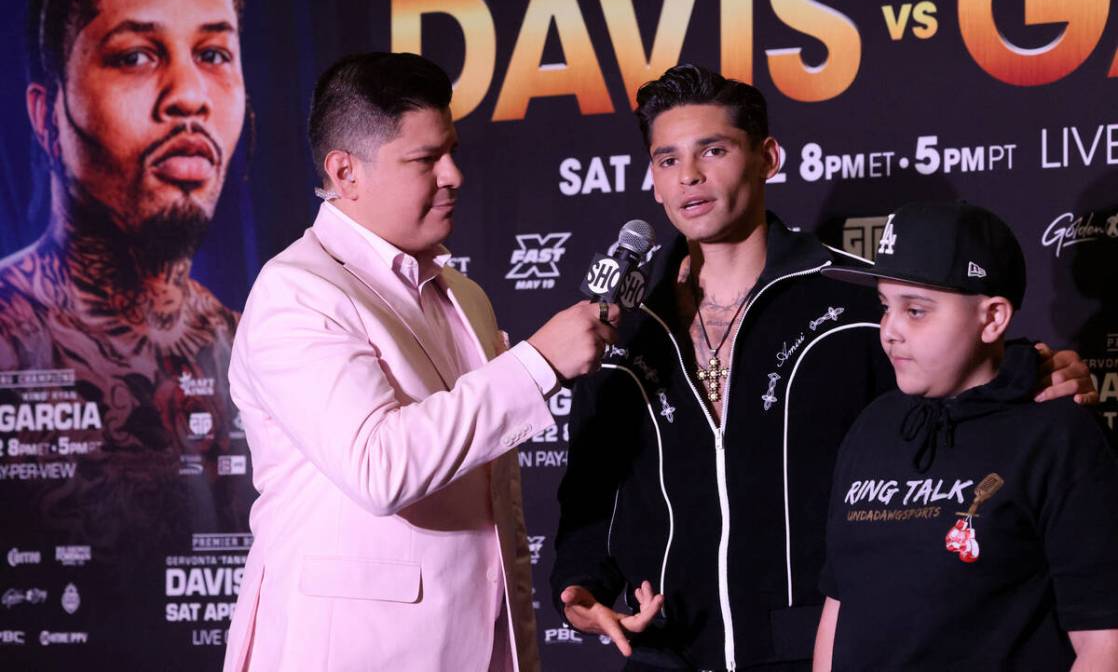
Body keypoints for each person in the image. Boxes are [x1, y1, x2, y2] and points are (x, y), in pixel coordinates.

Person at [550, 65, 1097, 671]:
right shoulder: (618, 330)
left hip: (821, 651)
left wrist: (1033, 372)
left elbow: (962, 397)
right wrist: (579, 588)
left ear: (768, 157)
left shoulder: (858, 301)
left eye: (714, 149)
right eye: (668, 159)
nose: (691, 176)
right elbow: (588, 500)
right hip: (663, 656)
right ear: (652, 180)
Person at [223, 52, 618, 672]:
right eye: (425, 159)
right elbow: (380, 467)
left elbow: (493, 513)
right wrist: (538, 365)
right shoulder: (295, 292)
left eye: (452, 151)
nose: (454, 175)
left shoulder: (465, 295)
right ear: (345, 172)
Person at [0, 0, 253, 661]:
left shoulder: (250, 345)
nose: (189, 95)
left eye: (213, 54)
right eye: (137, 55)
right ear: (45, 118)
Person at [812, 201, 1118, 671]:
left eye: (915, 310)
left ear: (992, 317)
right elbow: (839, 608)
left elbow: (1105, 641)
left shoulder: (1057, 435)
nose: (890, 330)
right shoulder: (871, 427)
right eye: (884, 306)